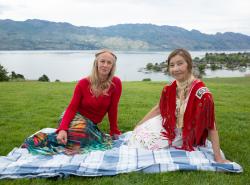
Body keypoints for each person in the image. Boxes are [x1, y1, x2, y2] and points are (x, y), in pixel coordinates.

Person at [128, 48, 230, 163]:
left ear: (189, 65)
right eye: (172, 65)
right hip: (169, 124)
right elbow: (158, 108)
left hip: (185, 132)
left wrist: (218, 157)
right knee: (139, 133)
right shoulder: (170, 87)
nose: (175, 69)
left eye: (180, 64)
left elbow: (211, 126)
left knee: (149, 143)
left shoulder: (202, 94)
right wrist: (139, 124)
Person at [22, 49, 122, 155]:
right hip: (74, 117)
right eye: (102, 61)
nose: (105, 65)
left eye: (109, 62)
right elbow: (72, 108)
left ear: (112, 66)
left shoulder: (116, 83)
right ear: (96, 63)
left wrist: (114, 130)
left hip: (90, 124)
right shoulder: (83, 83)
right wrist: (62, 129)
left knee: (82, 134)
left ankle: (53, 140)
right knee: (77, 132)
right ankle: (36, 141)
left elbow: (113, 109)